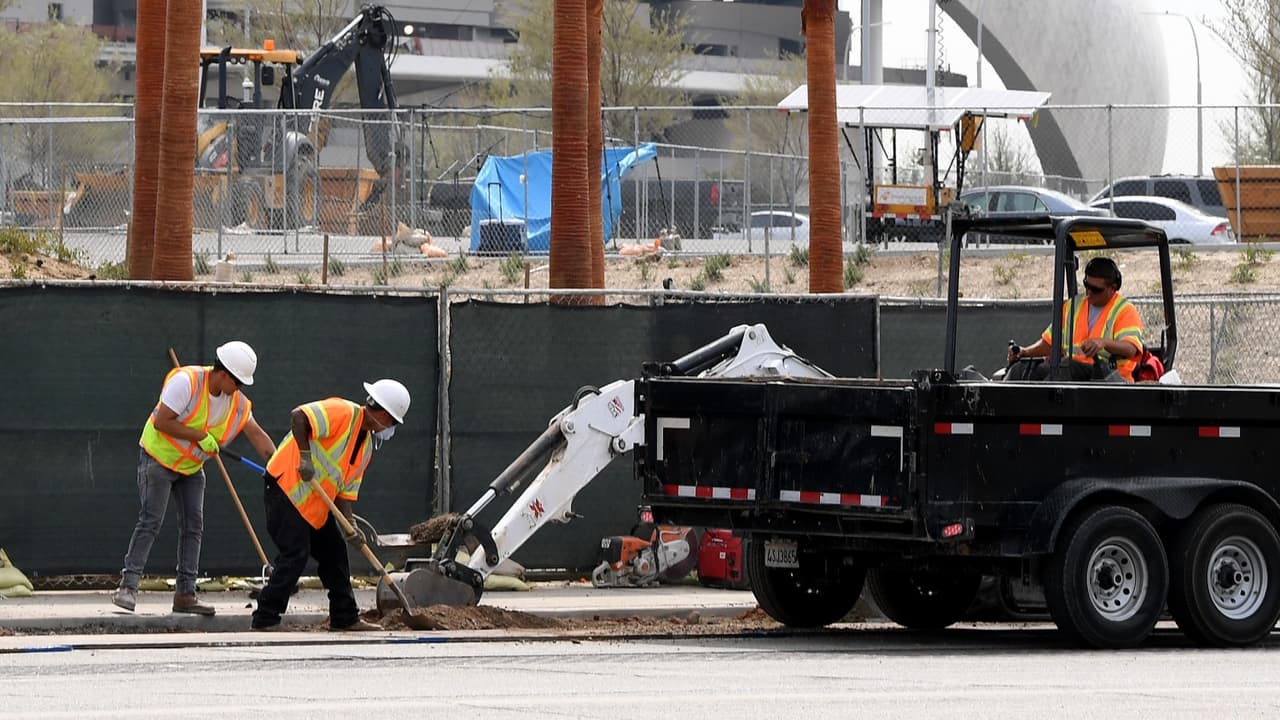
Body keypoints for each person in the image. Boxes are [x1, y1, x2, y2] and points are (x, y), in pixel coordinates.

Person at [112, 341, 276, 615]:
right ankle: (128, 587)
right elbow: (162, 421)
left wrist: (277, 467)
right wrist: (200, 436)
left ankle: (185, 594)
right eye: (238, 382)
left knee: (193, 527)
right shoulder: (186, 382)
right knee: (151, 520)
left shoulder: (236, 403)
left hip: (190, 468)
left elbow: (257, 435)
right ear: (222, 373)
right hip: (158, 459)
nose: (240, 388)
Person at [250, 379, 410, 632]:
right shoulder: (343, 412)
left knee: (335, 554)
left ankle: (345, 617)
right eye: (392, 422)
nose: (390, 429)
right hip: (285, 489)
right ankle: (266, 618)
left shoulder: (366, 446)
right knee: (295, 554)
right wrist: (304, 456)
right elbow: (299, 416)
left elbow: (345, 492)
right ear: (383, 413)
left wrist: (350, 526)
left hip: (313, 504)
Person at [1007, 257, 1144, 382]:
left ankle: (1040, 407)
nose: (1089, 292)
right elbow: (1050, 343)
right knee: (1020, 370)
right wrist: (1025, 352)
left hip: (1109, 378)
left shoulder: (1124, 310)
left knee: (1064, 369)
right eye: (1086, 285)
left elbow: (1131, 348)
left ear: (1113, 288)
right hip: (1072, 372)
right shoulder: (1073, 306)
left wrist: (1103, 343)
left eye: (1095, 289)